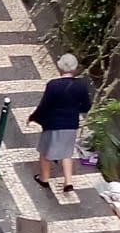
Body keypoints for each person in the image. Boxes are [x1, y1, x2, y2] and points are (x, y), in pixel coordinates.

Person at [30, 54, 93, 196]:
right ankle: (68, 181)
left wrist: (34, 117)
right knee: (67, 152)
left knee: (45, 152)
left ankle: (44, 178)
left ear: (60, 67)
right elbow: (86, 106)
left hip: (53, 123)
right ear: (75, 68)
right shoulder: (81, 86)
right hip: (71, 123)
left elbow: (44, 106)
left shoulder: (53, 85)